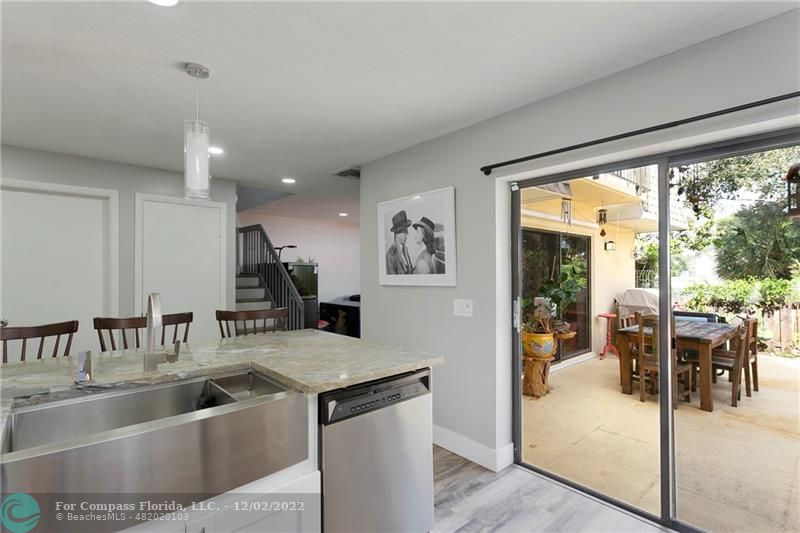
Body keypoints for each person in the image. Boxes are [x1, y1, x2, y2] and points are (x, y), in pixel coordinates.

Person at [385, 210, 413, 275]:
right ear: (398, 234)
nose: (407, 234)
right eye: (405, 231)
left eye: (407, 231)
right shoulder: (390, 255)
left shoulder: (405, 249)